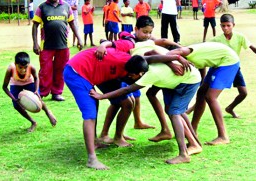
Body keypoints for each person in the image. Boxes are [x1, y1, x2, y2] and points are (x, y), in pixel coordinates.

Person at [63, 38, 186, 169]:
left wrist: (175, 60)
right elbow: (106, 42)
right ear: (133, 74)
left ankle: (111, 138)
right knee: (90, 113)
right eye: (139, 75)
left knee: (127, 102)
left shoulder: (134, 62)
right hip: (78, 72)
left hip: (99, 73)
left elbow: (150, 58)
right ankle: (91, 159)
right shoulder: (123, 58)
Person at [90, 41, 202, 164]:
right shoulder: (143, 63)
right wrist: (175, 59)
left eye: (132, 76)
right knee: (173, 110)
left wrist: (102, 96)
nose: (130, 78)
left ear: (140, 73)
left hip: (189, 81)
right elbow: (152, 55)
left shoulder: (150, 75)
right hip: (177, 80)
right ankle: (195, 143)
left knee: (175, 112)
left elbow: (127, 89)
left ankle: (184, 154)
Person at [96, 16, 182, 143]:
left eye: (150, 32)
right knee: (123, 102)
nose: (147, 35)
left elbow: (161, 41)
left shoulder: (144, 38)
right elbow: (150, 54)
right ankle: (111, 135)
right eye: (145, 32)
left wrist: (177, 45)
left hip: (131, 73)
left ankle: (133, 125)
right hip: (119, 72)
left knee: (132, 98)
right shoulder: (129, 39)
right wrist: (103, 44)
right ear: (136, 29)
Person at [167, 42, 240, 145]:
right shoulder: (192, 57)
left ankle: (223, 136)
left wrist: (174, 62)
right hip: (217, 62)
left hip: (228, 61)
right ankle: (193, 130)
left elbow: (167, 54)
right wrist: (202, 83)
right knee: (201, 93)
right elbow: (202, 65)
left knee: (211, 97)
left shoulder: (185, 52)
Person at [209, 14, 256, 118]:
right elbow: (204, 49)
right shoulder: (216, 40)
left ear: (233, 25)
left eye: (228, 25)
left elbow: (252, 48)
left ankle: (230, 108)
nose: (225, 28)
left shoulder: (240, 37)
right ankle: (190, 110)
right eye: (223, 25)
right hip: (220, 69)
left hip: (234, 68)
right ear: (220, 26)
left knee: (243, 93)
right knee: (209, 94)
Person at [32, 0, 83, 101]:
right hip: (46, 45)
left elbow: (72, 24)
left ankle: (56, 93)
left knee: (60, 70)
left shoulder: (66, 6)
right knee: (45, 71)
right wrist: (35, 43)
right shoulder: (42, 7)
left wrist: (79, 39)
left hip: (63, 45)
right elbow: (35, 26)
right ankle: (42, 92)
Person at [2, 52, 57, 132]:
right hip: (15, 84)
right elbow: (4, 87)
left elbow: (36, 78)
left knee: (38, 99)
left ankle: (48, 112)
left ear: (28, 64)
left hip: (29, 82)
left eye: (25, 67)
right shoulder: (10, 69)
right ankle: (33, 122)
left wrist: (36, 90)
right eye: (20, 67)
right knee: (16, 106)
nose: (23, 70)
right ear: (15, 64)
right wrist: (14, 99)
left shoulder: (31, 68)